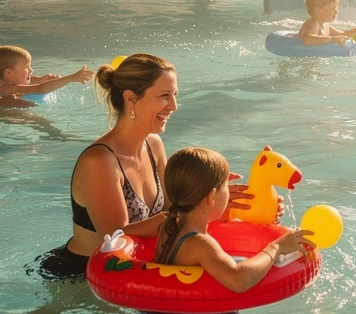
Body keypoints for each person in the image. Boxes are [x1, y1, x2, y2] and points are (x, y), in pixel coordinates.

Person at [37, 54, 259, 279]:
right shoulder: (99, 160)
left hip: (137, 270)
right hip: (79, 276)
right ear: (131, 98)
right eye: (164, 96)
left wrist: (210, 202)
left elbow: (175, 210)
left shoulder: (153, 144)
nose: (173, 106)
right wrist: (186, 213)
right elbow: (114, 237)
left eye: (174, 95)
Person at [155, 147, 312, 291]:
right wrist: (276, 247)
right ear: (211, 197)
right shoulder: (201, 244)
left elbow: (136, 229)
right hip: (201, 313)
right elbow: (238, 280)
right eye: (226, 186)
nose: (229, 191)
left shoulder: (165, 225)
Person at [0, 45, 94, 98]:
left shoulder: (0, 84)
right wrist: (71, 78)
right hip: (10, 116)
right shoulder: (10, 88)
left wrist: (39, 80)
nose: (31, 70)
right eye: (26, 67)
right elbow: (40, 89)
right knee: (40, 122)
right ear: (9, 73)